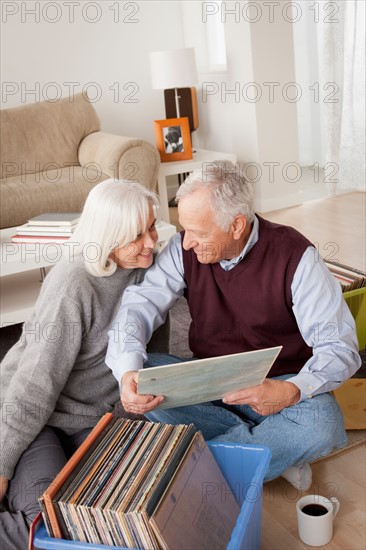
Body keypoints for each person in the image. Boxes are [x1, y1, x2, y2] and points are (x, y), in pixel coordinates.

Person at [106, 160, 361, 491]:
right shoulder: (182, 250)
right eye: (185, 230)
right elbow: (138, 308)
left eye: (198, 233)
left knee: (323, 421)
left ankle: (197, 468)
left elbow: (339, 348)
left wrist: (290, 390)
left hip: (278, 385)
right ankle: (268, 456)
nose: (186, 243)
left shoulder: (297, 257)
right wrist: (127, 374)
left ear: (237, 225)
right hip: (211, 381)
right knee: (146, 376)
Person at [0, 179, 166, 549]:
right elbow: (34, 385)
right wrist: (2, 464)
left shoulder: (150, 273)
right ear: (108, 236)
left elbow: (147, 364)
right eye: (137, 235)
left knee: (122, 508)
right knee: (46, 521)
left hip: (94, 418)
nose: (152, 242)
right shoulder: (73, 284)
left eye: (152, 226)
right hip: (36, 416)